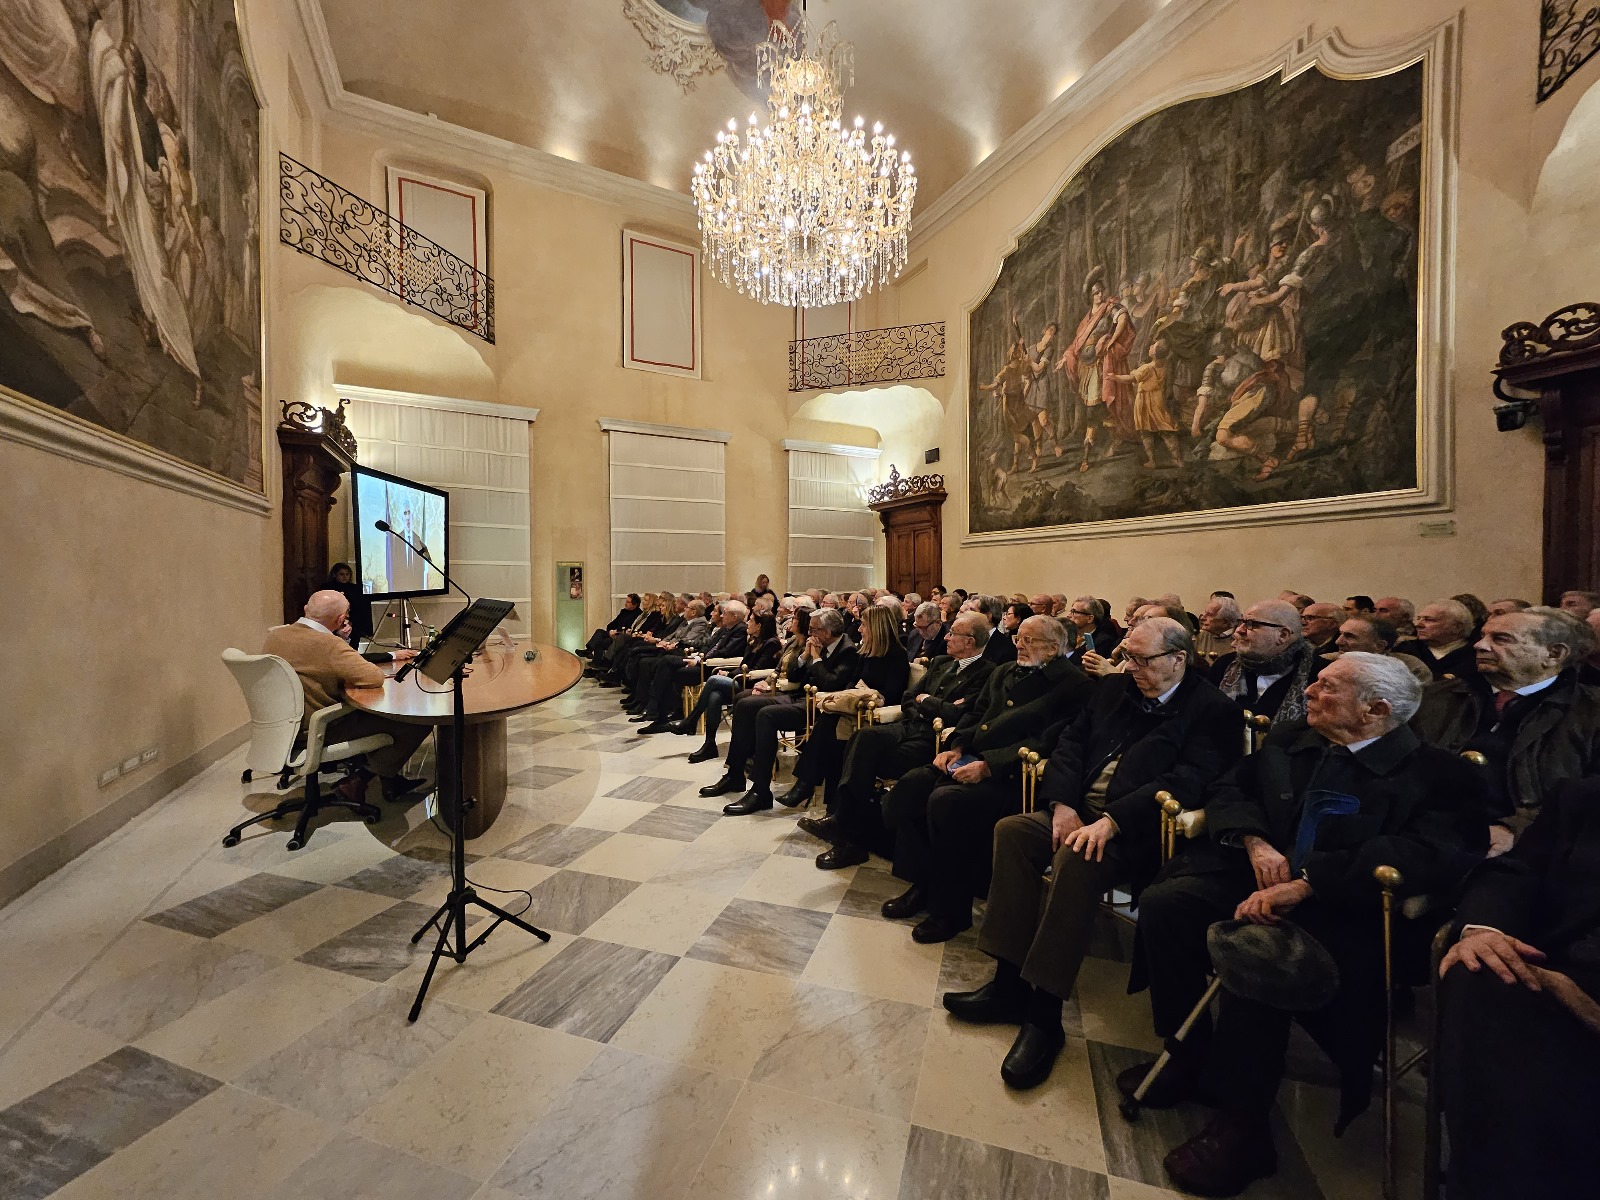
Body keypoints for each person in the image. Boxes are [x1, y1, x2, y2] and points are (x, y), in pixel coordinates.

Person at [1144, 655, 1489, 1196]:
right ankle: (1187, 1052)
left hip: (1350, 906)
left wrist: (1309, 883)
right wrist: (1256, 841)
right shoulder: (1292, 739)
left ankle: (1243, 1124)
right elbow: (1230, 788)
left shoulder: (1441, 776)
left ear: (1375, 710)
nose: (1309, 692)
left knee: (1259, 953)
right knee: (1167, 903)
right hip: (1259, 875)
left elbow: (1428, 852)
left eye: (1328, 687)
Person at [944, 617, 1242, 1089]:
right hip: (1079, 810)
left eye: (1141, 660)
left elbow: (1188, 779)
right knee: (1014, 831)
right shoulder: (1113, 689)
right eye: (1127, 656)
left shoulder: (1213, 710)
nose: (1130, 667)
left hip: (1141, 831)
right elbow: (1071, 744)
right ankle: (1007, 983)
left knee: (1077, 859)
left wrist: (1113, 820)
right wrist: (1062, 805)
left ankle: (1045, 1014)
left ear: (1178, 659)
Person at [879, 615, 1093, 943]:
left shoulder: (1074, 684)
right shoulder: (1004, 670)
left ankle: (951, 911)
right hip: (973, 757)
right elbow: (976, 714)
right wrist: (957, 746)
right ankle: (924, 883)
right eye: (1018, 638)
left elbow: (1049, 741)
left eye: (1029, 640)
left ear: (1053, 648)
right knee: (913, 786)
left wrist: (990, 766)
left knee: (947, 802)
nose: (1019, 645)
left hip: (1016, 777)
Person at [1435, 777, 1600, 1200]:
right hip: (1555, 969)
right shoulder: (1582, 797)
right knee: (1480, 972)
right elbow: (1513, 872)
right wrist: (1484, 931)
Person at [810, 613, 996, 868]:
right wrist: (927, 705)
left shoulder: (987, 672)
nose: (947, 637)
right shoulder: (941, 662)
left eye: (953, 633)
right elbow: (909, 696)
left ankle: (848, 834)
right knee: (862, 737)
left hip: (934, 739)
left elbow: (958, 713)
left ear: (970, 641)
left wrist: (926, 700)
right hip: (908, 725)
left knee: (865, 762)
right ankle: (844, 823)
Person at [1412, 606, 1600, 848]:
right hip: (1422, 830)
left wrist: (1516, 829)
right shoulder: (1434, 697)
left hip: (1532, 845)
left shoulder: (1591, 711)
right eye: (1483, 636)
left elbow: (1589, 795)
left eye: (1501, 639)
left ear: (1554, 654)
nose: (1479, 645)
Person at [262, 590, 428, 802]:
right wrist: (341, 642)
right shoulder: (329, 644)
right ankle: (359, 780)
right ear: (341, 619)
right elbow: (374, 677)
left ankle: (390, 782)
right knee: (415, 722)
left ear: (306, 609)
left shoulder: (276, 635)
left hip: (282, 727)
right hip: (319, 729)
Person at [703, 607, 860, 815]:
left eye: (813, 630)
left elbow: (831, 683)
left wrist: (816, 658)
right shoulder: (818, 644)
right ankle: (735, 775)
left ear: (827, 632)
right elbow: (794, 676)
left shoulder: (847, 650)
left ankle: (760, 790)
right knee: (745, 705)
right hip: (801, 695)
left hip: (821, 705)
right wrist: (805, 656)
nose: (810, 633)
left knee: (766, 715)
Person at [777, 605, 911, 808]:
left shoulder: (896, 655)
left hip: (874, 713)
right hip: (855, 709)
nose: (859, 629)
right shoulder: (865, 653)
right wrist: (851, 694)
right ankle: (821, 797)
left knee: (830, 728)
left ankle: (809, 787)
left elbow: (893, 693)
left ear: (876, 627)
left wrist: (864, 692)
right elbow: (851, 683)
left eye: (863, 625)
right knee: (830, 724)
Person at [669, 611, 783, 759]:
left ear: (759, 626)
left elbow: (755, 669)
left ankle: (691, 721)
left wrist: (729, 675)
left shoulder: (771, 643)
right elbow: (743, 665)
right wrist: (728, 673)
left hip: (753, 684)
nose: (747, 623)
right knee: (714, 697)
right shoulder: (754, 640)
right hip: (740, 679)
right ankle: (709, 744)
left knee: (713, 680)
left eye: (751, 621)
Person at [634, 601, 748, 731]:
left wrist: (700, 660)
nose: (722, 616)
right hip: (702, 661)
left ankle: (657, 712)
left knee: (668, 669)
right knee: (665, 664)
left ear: (734, 617)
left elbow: (726, 652)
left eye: (725, 613)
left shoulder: (741, 630)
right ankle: (659, 712)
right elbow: (708, 645)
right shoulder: (725, 629)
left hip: (711, 669)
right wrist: (698, 656)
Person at [1209, 599, 1320, 727]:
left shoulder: (1318, 673)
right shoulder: (1225, 665)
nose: (1239, 630)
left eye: (1251, 624)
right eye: (1241, 622)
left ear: (1283, 635)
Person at [1329, 615, 1431, 684]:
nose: (1338, 642)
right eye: (1340, 634)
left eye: (1350, 636)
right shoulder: (1326, 661)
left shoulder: (1411, 669)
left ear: (1379, 646)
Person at [1395, 599, 1478, 681]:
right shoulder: (1405, 650)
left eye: (1429, 620)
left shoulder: (1476, 655)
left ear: (1457, 628)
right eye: (1418, 619)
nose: (1418, 625)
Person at [579, 593, 639, 659]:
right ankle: (589, 650)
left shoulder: (638, 614)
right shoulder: (624, 611)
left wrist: (616, 631)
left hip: (621, 637)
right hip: (613, 633)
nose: (625, 603)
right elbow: (613, 623)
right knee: (599, 632)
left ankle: (599, 661)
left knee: (602, 642)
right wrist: (610, 631)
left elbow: (629, 627)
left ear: (634, 604)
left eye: (628, 602)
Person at [325, 563, 372, 645]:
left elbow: (361, 607)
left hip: (354, 623)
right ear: (334, 575)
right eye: (342, 574)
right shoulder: (327, 588)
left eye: (347, 574)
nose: (345, 577)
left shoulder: (355, 588)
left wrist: (352, 621)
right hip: (334, 624)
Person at [1194, 594, 1242, 665]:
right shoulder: (1203, 635)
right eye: (1205, 613)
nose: (1202, 618)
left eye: (1209, 615)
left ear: (1225, 622)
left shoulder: (1239, 639)